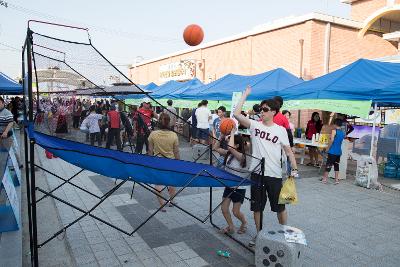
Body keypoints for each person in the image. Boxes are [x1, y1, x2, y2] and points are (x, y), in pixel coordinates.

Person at [233, 86, 298, 247]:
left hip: (275, 175)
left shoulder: (281, 130)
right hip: (256, 174)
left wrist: (294, 168)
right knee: (257, 208)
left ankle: (283, 234)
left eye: (265, 109)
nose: (261, 112)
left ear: (274, 112)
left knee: (280, 208)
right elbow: (236, 114)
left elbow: (289, 152)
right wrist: (245, 94)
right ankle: (259, 235)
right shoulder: (255, 125)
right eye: (261, 109)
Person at [215, 127, 249, 235]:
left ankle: (244, 223)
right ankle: (231, 226)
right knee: (224, 208)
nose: (229, 143)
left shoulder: (242, 156)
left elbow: (231, 147)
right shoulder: (229, 154)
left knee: (235, 212)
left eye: (232, 142)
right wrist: (220, 137)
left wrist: (233, 133)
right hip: (229, 186)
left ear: (237, 145)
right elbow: (216, 148)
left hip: (239, 188)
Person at [148, 113, 180, 211]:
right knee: (171, 182)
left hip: (157, 162)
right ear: (169, 122)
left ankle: (161, 204)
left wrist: (150, 162)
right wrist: (178, 162)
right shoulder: (174, 135)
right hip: (170, 162)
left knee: (158, 183)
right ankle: (171, 201)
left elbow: (150, 151)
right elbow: (176, 152)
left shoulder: (153, 134)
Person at [321, 119, 345, 184]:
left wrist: (327, 148)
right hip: (339, 152)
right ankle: (336, 180)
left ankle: (325, 179)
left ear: (335, 124)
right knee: (336, 165)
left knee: (328, 165)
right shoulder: (343, 133)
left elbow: (331, 141)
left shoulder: (334, 131)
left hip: (332, 151)